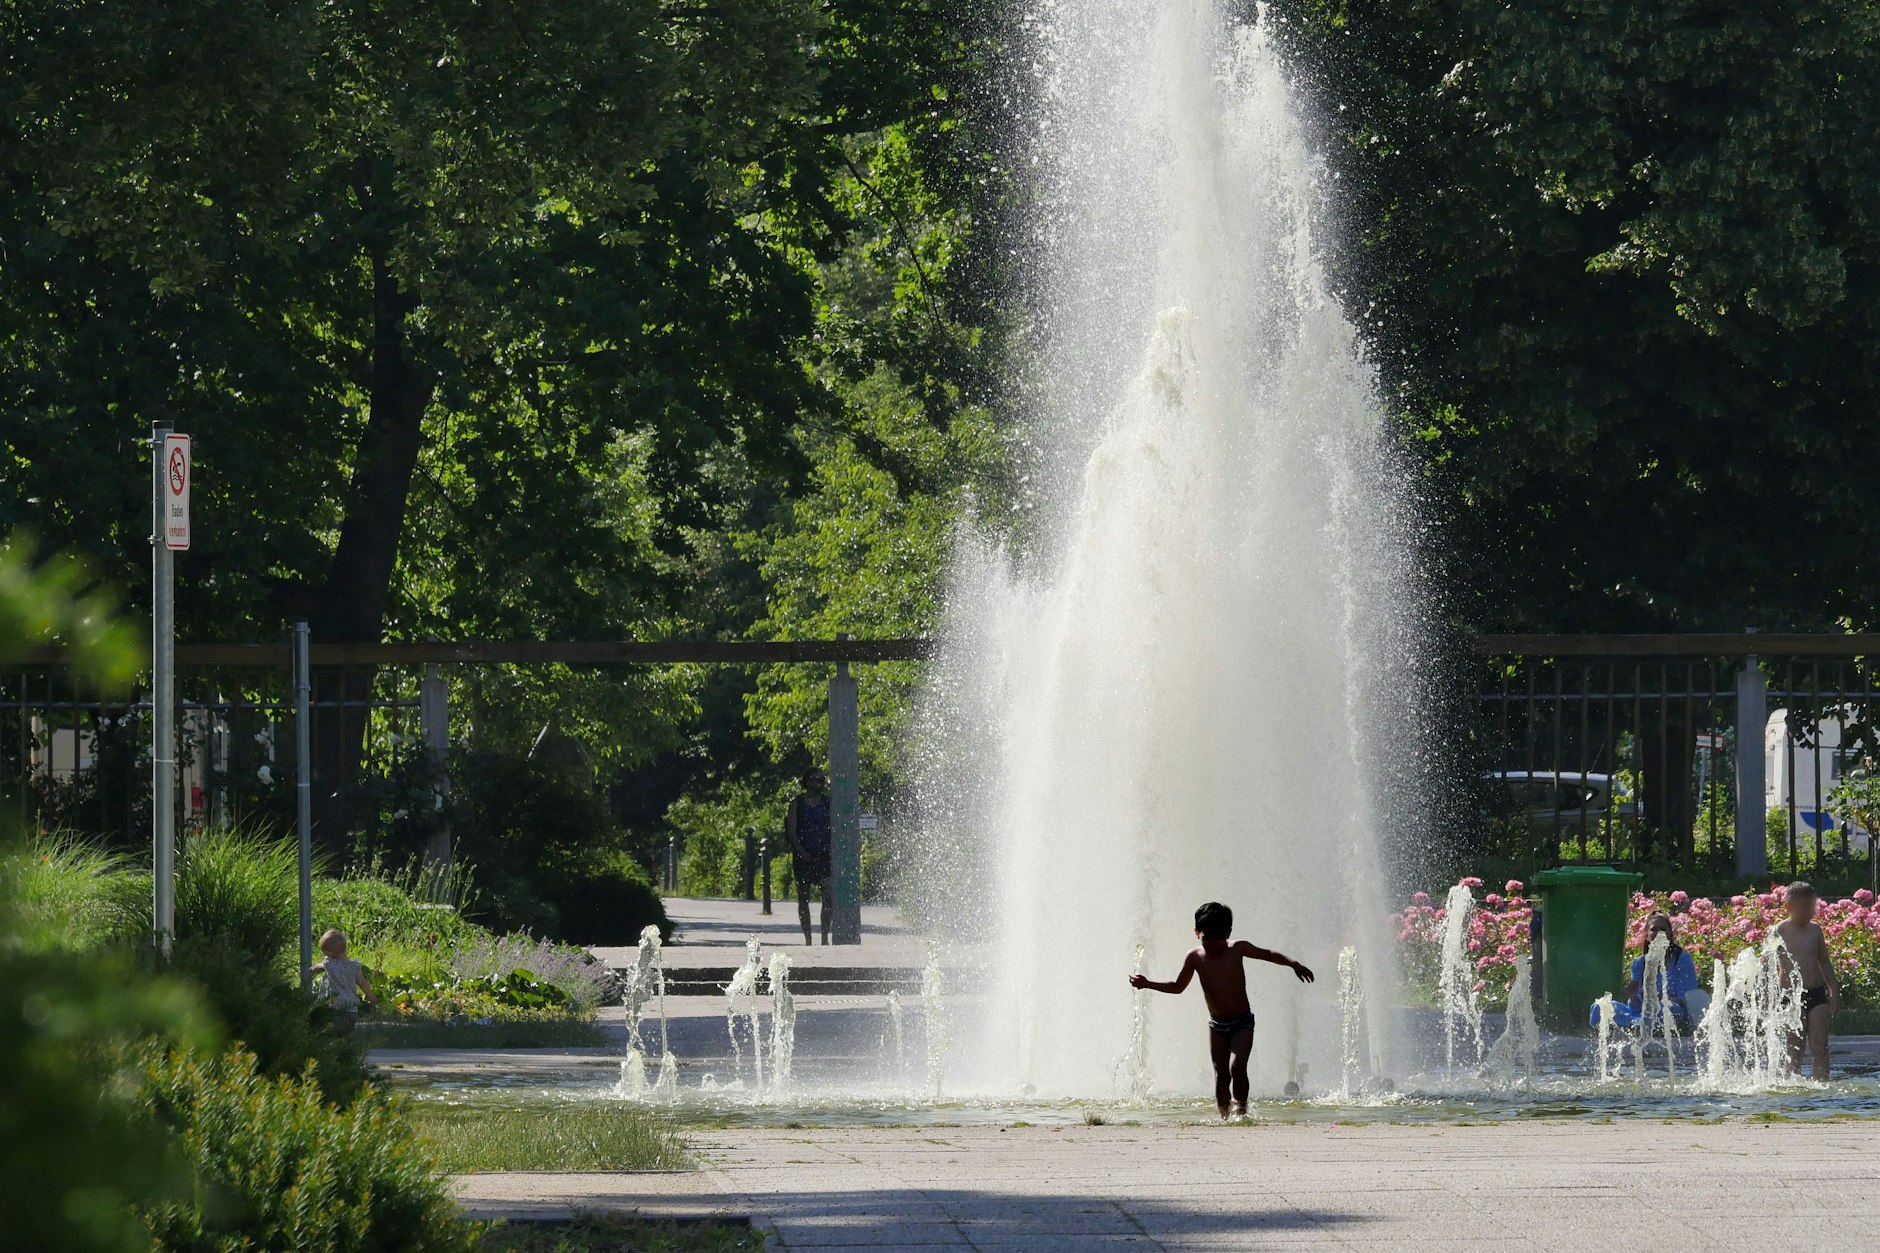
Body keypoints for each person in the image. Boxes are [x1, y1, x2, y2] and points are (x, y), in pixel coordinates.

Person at [1127, 901, 1315, 1119]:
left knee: (1237, 1067)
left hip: (1242, 1022)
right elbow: (1178, 987)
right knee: (1221, 1073)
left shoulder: (1238, 949)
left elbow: (1268, 954)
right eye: (1208, 937)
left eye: (1220, 937)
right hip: (1216, 1025)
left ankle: (1241, 1112)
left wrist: (1294, 964)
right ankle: (1224, 1116)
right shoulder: (1194, 958)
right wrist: (1148, 983)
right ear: (1197, 933)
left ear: (1229, 933)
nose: (1214, 943)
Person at [1775, 882, 1840, 1079]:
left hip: (1816, 992)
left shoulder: (1815, 930)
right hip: (1791, 997)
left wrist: (1834, 990)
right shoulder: (1779, 931)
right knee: (1795, 1047)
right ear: (1788, 907)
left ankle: (1822, 1085)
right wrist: (1769, 998)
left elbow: (1824, 962)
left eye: (1812, 906)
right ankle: (1791, 1085)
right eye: (1804, 907)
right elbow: (1767, 966)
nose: (1809, 911)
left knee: (1820, 1046)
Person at [1621, 911, 1711, 1028]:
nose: (1659, 933)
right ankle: (1636, 1025)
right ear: (1647, 935)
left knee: (1661, 1009)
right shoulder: (1638, 964)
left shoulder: (1682, 959)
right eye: (1654, 929)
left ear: (1669, 933)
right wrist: (1633, 996)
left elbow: (1686, 999)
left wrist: (1660, 1000)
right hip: (1644, 1013)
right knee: (1605, 1008)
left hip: (1673, 1011)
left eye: (1663, 929)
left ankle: (1638, 1024)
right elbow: (1636, 1006)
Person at [784, 766, 833, 946]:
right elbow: (792, 830)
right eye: (817, 780)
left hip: (824, 854)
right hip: (803, 855)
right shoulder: (797, 804)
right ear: (808, 782)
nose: (821, 783)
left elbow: (834, 828)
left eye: (822, 780)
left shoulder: (827, 803)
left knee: (828, 894)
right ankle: (808, 939)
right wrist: (800, 851)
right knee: (803, 898)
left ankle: (825, 936)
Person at [311, 927, 374, 1034]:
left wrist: (312, 969)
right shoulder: (354, 966)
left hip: (334, 1009)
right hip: (351, 1010)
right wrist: (371, 996)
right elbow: (362, 983)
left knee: (330, 1032)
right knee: (345, 1032)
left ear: (328, 953)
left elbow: (318, 967)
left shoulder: (329, 964)